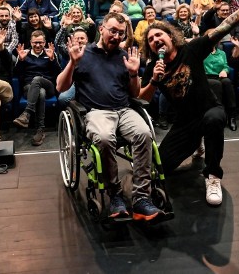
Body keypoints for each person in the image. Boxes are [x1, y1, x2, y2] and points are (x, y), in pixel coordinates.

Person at [138, 0, 239, 206]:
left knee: (213, 121)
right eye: (151, 39)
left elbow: (226, 26)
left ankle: (213, 176)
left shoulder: (191, 49)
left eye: (158, 35)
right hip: (184, 121)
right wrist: (154, 80)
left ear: (170, 37)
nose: (155, 40)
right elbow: (143, 98)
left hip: (209, 109)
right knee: (160, 167)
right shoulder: (155, 66)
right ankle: (197, 141)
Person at [57, 12, 167, 222]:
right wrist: (72, 63)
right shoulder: (82, 54)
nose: (116, 36)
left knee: (145, 133)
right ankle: (115, 193)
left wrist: (134, 74)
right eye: (113, 31)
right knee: (105, 138)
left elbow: (135, 94)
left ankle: (141, 198)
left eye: (121, 33)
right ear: (101, 29)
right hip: (97, 112)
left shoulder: (125, 56)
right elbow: (60, 88)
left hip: (124, 110)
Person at [12, 31, 61, 146]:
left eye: (40, 43)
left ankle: (27, 113)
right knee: (41, 93)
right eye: (35, 43)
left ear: (44, 43)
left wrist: (52, 60)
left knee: (38, 80)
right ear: (30, 42)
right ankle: (40, 130)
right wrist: (21, 61)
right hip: (29, 88)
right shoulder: (25, 54)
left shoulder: (50, 53)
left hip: (48, 85)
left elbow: (59, 74)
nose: (38, 45)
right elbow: (16, 74)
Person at [203, 35, 238, 131]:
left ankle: (232, 116)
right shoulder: (201, 52)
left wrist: (225, 71)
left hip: (219, 76)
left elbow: (226, 66)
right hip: (205, 77)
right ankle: (219, 115)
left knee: (227, 82)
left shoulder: (221, 53)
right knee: (216, 84)